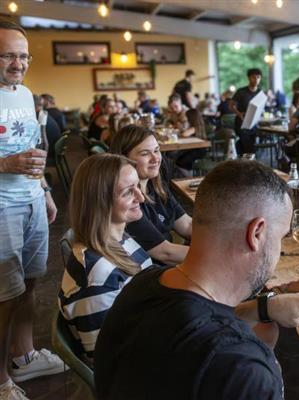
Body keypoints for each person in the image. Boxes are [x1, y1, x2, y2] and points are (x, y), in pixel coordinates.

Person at [94, 160, 299, 400]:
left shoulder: (142, 284)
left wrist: (260, 308)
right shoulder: (240, 366)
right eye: (281, 236)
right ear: (256, 233)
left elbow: (194, 320)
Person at [0, 20, 63, 400]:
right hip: (2, 208)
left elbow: (32, 151)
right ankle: (1, 381)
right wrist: (6, 165)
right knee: (5, 295)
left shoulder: (24, 94)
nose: (18, 63)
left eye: (23, 56)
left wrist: (46, 191)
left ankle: (23, 356)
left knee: (31, 283)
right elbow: (13, 159)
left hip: (32, 201)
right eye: (8, 55)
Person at [59, 154, 152, 360]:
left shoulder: (120, 238)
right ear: (99, 201)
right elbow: (106, 358)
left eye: (138, 186)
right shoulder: (97, 278)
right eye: (128, 192)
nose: (141, 197)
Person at [110, 126, 191, 266]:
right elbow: (165, 253)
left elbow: (187, 225)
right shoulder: (127, 201)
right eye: (145, 153)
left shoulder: (156, 187)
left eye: (156, 150)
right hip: (151, 271)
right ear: (123, 159)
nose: (155, 158)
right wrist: (214, 255)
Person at [231, 68, 263, 154]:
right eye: (253, 77)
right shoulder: (241, 91)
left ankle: (249, 160)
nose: (256, 79)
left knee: (253, 147)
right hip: (242, 122)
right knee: (246, 147)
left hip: (254, 123)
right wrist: (239, 113)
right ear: (249, 78)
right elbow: (231, 105)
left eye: (258, 77)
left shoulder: (260, 92)